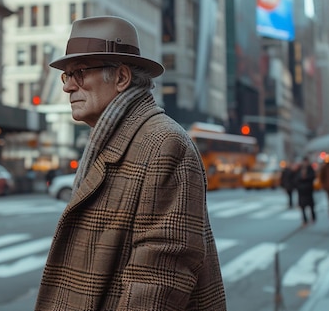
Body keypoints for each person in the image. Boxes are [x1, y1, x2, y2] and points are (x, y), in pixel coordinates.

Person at [35, 16, 226, 310]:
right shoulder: (112, 139)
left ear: (122, 78)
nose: (68, 87)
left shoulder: (164, 142)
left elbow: (159, 278)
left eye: (81, 72)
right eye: (67, 75)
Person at [294, 156, 316, 226]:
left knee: (311, 205)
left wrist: (306, 177)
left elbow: (313, 177)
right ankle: (304, 219)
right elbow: (295, 178)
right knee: (302, 206)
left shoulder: (310, 169)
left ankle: (313, 217)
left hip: (308, 189)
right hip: (301, 190)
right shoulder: (299, 169)